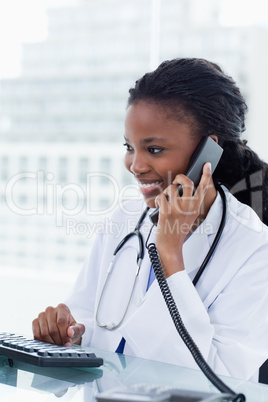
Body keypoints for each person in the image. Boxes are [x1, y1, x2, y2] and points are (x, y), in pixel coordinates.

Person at [32, 58, 268, 382]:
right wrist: (66, 332)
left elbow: (220, 380)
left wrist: (169, 255)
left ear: (208, 152)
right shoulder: (125, 219)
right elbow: (86, 321)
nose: (135, 165)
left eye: (154, 149)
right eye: (129, 147)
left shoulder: (255, 248)